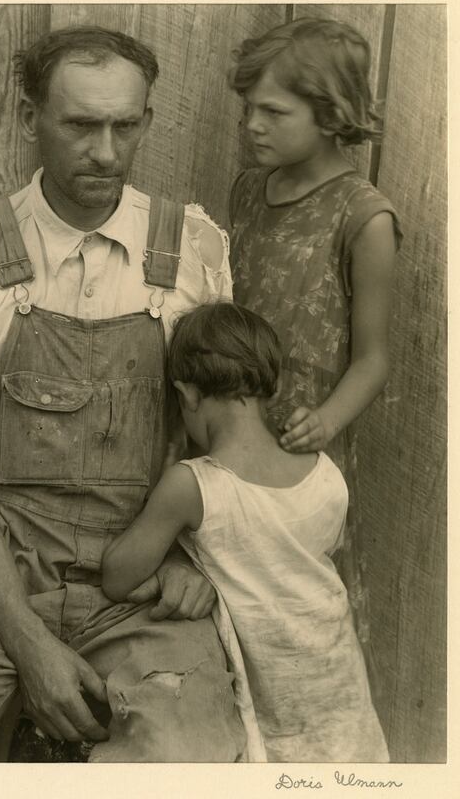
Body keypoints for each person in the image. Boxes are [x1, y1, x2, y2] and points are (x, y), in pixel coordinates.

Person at [0, 26, 246, 762]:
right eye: (81, 125)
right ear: (30, 119)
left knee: (188, 757)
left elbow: (226, 447)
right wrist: (28, 643)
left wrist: (189, 561)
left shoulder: (195, 255)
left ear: (146, 119)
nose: (106, 153)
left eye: (126, 125)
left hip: (146, 580)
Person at [102, 301, 389, 762]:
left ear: (188, 395)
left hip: (277, 707)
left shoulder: (194, 484)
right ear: (269, 385)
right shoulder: (326, 474)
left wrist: (171, 453)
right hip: (342, 694)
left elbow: (116, 575)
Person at [227, 17, 402, 665]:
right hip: (233, 436)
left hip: (304, 451)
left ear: (331, 114)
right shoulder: (250, 188)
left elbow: (375, 358)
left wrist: (325, 421)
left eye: (273, 111)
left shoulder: (365, 217)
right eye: (248, 109)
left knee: (292, 616)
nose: (252, 125)